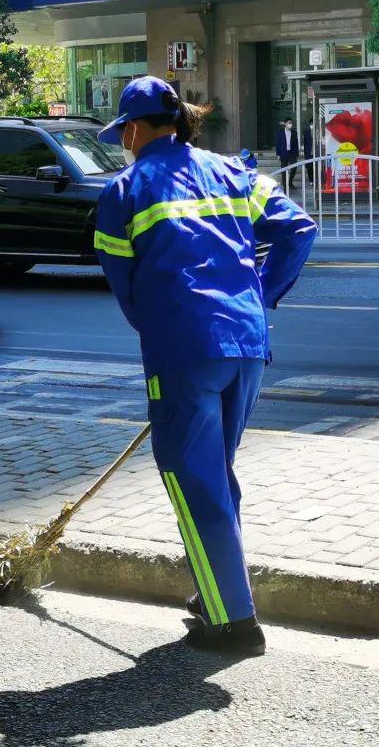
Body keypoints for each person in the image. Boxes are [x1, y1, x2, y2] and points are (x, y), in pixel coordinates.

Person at [93, 77, 317, 655]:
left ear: (135, 130)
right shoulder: (233, 172)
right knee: (215, 475)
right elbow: (297, 228)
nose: (125, 142)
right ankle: (215, 592)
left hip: (185, 349)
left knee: (195, 482)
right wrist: (259, 299)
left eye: (124, 134)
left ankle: (234, 623)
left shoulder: (124, 190)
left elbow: (128, 293)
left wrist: (172, 342)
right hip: (246, 342)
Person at [274, 117, 300, 190]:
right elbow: (277, 144)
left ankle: (290, 182)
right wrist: (278, 154)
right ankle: (285, 186)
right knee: (284, 170)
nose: (290, 124)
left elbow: (296, 144)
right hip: (283, 153)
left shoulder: (294, 132)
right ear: (285, 124)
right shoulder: (280, 132)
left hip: (292, 153)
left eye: (291, 123)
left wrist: (297, 154)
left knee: (294, 168)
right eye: (289, 123)